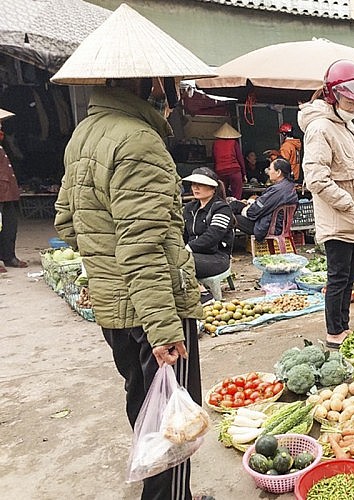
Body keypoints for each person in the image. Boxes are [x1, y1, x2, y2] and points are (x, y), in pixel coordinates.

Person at [51, 5, 214, 498]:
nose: (172, 93)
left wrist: (106, 273)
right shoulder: (140, 141)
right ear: (148, 83)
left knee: (144, 403)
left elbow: (66, 223)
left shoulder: (85, 134)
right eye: (168, 82)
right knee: (175, 416)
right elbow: (143, 248)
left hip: (116, 308)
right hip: (155, 308)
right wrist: (163, 328)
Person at [298, 59, 354, 348]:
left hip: (353, 218)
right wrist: (346, 203)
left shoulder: (348, 127)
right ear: (332, 95)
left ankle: (344, 326)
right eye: (349, 100)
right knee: (339, 278)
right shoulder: (320, 128)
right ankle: (334, 333)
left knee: (352, 277)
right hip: (337, 218)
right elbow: (316, 178)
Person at [182, 167, 235, 303]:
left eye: (201, 184)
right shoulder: (189, 209)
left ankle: (204, 294)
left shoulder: (222, 209)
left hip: (217, 258)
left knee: (181, 260)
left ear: (213, 188)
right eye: (194, 184)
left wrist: (188, 248)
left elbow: (213, 236)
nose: (196, 188)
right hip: (193, 255)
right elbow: (183, 234)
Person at [231, 158, 298, 241]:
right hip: (276, 225)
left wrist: (246, 207)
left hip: (266, 227)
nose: (268, 172)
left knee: (229, 215)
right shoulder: (289, 187)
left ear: (278, 172)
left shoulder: (277, 190)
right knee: (235, 205)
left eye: (270, 169)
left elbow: (254, 212)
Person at [0, 110, 27, 272]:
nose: (1, 124)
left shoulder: (2, 141)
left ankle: (9, 256)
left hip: (7, 189)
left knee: (10, 224)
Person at [212, 122, 246, 199]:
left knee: (221, 193)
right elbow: (240, 159)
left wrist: (215, 172)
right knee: (237, 193)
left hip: (220, 171)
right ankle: (237, 206)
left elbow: (214, 159)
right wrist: (244, 174)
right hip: (234, 171)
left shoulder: (215, 144)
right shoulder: (234, 143)